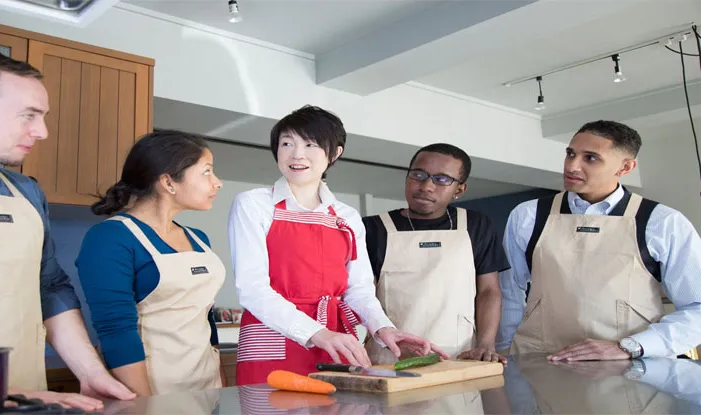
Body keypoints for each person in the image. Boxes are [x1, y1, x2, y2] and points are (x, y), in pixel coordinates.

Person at [0, 48, 134, 410]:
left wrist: (91, 372)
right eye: (28, 116)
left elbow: (50, 288)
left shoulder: (26, 191)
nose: (42, 131)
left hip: (29, 399)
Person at [228, 105, 446, 386]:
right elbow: (253, 290)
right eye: (286, 143)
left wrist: (384, 328)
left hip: (337, 340)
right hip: (273, 339)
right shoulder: (254, 204)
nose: (297, 154)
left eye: (311, 144)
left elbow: (359, 290)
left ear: (335, 153)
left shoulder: (346, 216)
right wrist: (317, 333)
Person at [499, 120, 701, 360]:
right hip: (541, 362)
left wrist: (630, 347)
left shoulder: (663, 222)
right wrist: (505, 353)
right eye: (570, 154)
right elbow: (509, 292)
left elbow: (696, 308)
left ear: (625, 167)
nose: (572, 166)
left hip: (631, 368)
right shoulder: (527, 215)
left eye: (591, 158)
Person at [76, 130, 225, 396]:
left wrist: (219, 382)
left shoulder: (199, 239)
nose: (217, 182)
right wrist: (143, 406)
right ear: (168, 182)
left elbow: (207, 320)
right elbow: (116, 331)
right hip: (148, 391)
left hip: (206, 388)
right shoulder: (110, 238)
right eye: (206, 172)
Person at [362, 144, 509, 364]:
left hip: (459, 354)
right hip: (391, 357)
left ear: (459, 189)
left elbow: (489, 291)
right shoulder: (372, 228)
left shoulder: (477, 225)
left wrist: (486, 343)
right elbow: (362, 296)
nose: (426, 186)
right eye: (418, 175)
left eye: (442, 180)